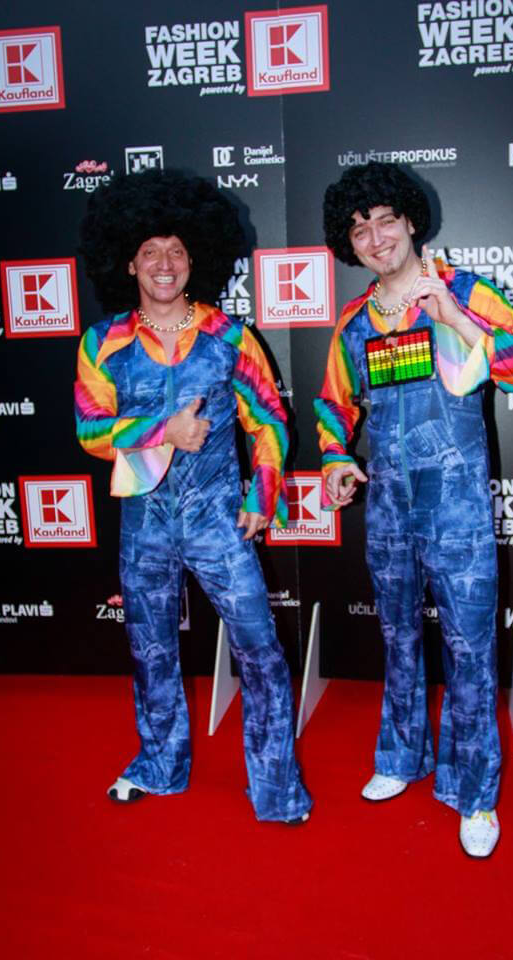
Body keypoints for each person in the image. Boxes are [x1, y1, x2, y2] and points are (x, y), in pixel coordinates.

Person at [315, 162, 513, 856]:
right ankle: (400, 757)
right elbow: (333, 405)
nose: (376, 237)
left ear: (411, 221)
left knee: (470, 650)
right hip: (388, 512)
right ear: (349, 244)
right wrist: (335, 458)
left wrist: (455, 318)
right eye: (360, 229)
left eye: (386, 220)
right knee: (398, 638)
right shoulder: (354, 322)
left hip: (459, 514)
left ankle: (475, 794)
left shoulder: (465, 291)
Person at [75, 168, 311, 824]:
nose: (164, 263)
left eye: (176, 250)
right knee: (150, 651)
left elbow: (269, 421)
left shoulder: (229, 336)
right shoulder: (102, 343)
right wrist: (163, 430)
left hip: (217, 519)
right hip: (144, 524)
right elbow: (89, 431)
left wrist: (263, 493)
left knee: (259, 648)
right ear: (128, 262)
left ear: (194, 258)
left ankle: (276, 787)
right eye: (149, 251)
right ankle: (159, 765)